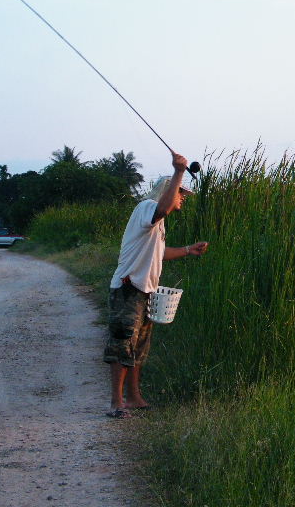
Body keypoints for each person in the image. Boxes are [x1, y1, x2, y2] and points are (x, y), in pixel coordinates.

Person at [103, 152, 208, 418]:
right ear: (169, 190)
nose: (183, 199)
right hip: (128, 289)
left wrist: (187, 250)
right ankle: (117, 403)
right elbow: (165, 207)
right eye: (182, 194)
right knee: (122, 345)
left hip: (145, 292)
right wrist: (179, 172)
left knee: (138, 349)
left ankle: (135, 397)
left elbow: (159, 253)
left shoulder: (157, 225)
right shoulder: (148, 208)